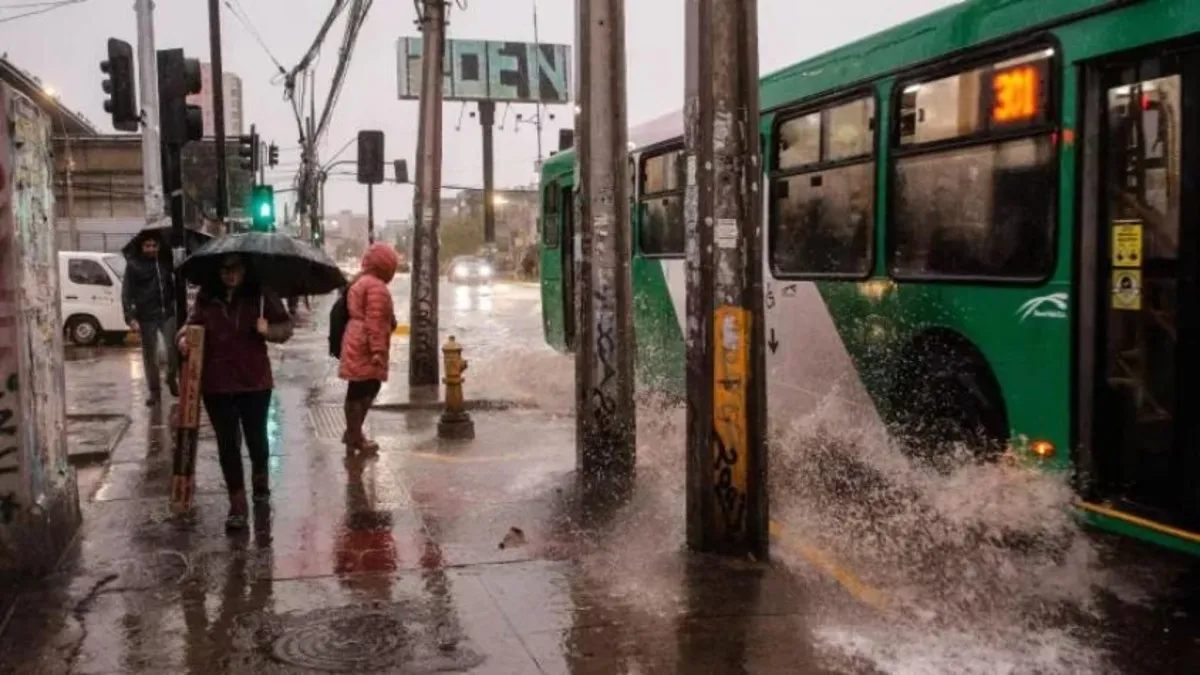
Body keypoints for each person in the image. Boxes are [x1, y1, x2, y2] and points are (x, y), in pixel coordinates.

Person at [177, 254, 293, 531]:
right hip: (216, 383)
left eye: (235, 269)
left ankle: (260, 482)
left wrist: (269, 330)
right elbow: (190, 325)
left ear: (244, 270)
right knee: (227, 444)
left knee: (256, 440)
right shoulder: (206, 297)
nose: (229, 275)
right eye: (224, 270)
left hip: (254, 381)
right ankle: (237, 504)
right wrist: (182, 339)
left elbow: (286, 328)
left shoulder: (261, 294)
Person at [339, 242, 399, 453]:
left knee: (357, 388)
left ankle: (353, 433)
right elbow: (375, 321)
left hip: (354, 338)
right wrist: (377, 351)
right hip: (366, 344)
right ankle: (354, 435)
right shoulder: (376, 287)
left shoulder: (360, 281)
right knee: (367, 388)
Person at [123, 234, 179, 405]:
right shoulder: (133, 266)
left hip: (167, 313)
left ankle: (171, 377)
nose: (151, 249)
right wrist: (130, 317)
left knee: (173, 349)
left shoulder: (164, 263)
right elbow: (126, 292)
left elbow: (174, 286)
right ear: (141, 247)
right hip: (146, 316)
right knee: (150, 355)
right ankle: (154, 391)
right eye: (147, 245)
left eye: (154, 245)